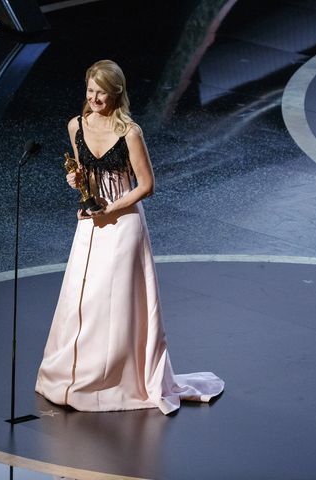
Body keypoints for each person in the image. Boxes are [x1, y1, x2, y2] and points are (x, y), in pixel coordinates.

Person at [35, 60, 224, 415]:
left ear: (116, 92)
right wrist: (78, 186)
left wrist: (112, 209)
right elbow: (85, 175)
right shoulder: (76, 126)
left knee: (116, 306)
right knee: (83, 300)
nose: (93, 98)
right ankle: (79, 373)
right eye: (90, 91)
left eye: (100, 92)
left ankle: (115, 380)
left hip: (124, 227)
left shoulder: (130, 133)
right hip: (92, 223)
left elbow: (147, 186)